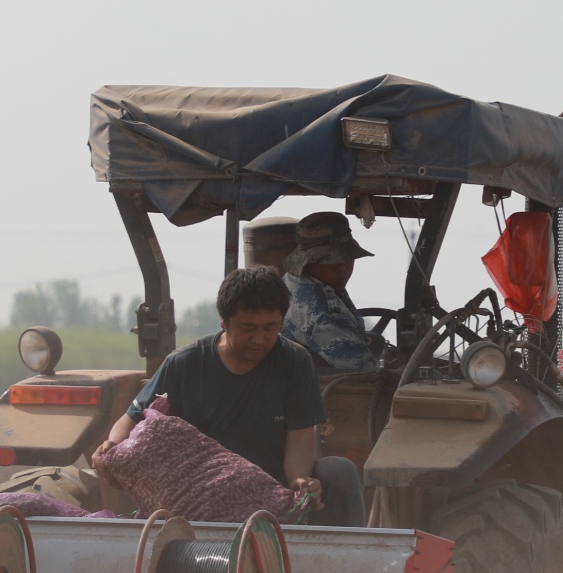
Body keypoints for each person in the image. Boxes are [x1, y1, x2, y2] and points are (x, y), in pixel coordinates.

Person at [94, 266, 366, 528]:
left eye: (270, 327)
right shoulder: (185, 363)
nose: (260, 339)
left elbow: (300, 438)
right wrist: (111, 446)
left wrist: (300, 481)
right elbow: (131, 420)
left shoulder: (294, 361)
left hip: (269, 493)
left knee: (338, 470)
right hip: (197, 496)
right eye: (248, 328)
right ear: (224, 321)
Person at [281, 211, 382, 371]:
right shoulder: (322, 314)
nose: (342, 268)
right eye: (330, 260)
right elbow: (365, 371)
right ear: (310, 262)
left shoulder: (295, 282)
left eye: (347, 258)